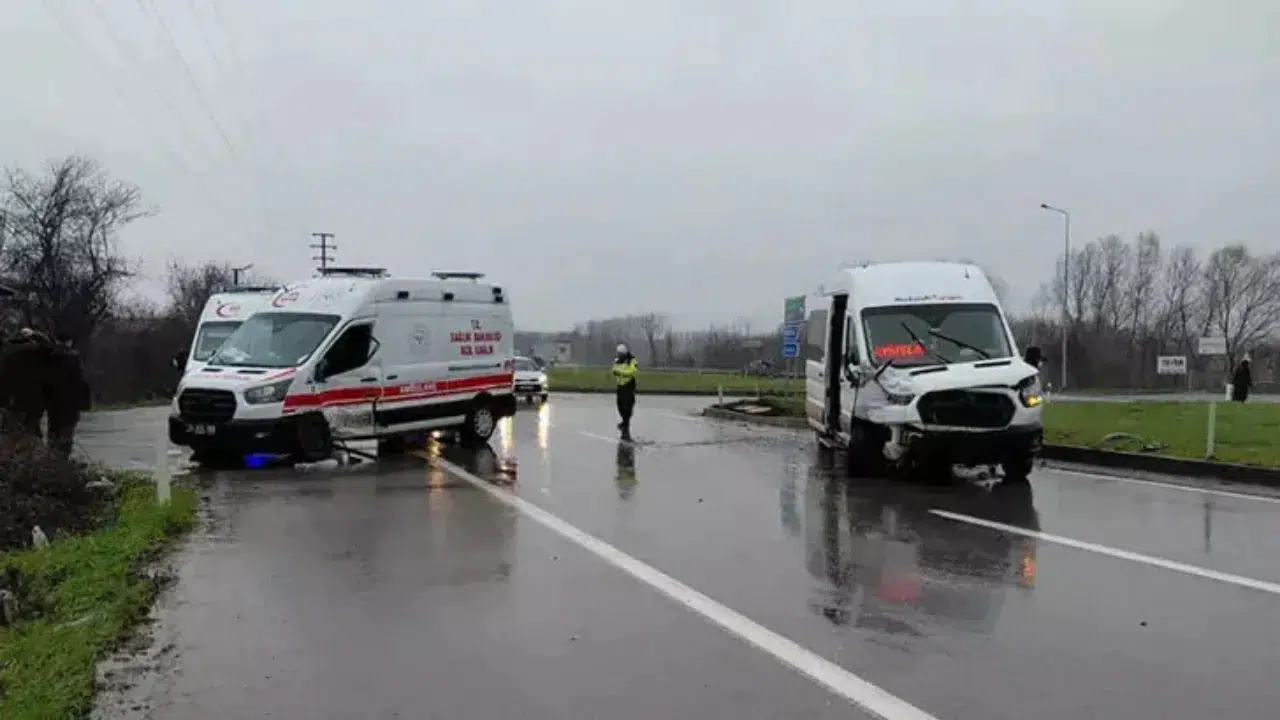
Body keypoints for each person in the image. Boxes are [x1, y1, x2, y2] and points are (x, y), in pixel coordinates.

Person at [0, 328, 54, 439]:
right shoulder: (37, 352)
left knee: (11, 430)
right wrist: (35, 333)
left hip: (14, 399)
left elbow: (4, 378)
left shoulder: (8, 352)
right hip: (34, 398)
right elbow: (50, 347)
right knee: (32, 429)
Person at [45, 333, 91, 457]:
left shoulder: (50, 357)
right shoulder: (74, 358)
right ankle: (63, 456)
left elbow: (46, 380)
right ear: (69, 342)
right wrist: (84, 402)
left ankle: (52, 454)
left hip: (54, 402)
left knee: (54, 429)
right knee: (67, 431)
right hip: (70, 402)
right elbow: (81, 381)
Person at [611, 343, 638, 441]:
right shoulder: (617, 360)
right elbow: (614, 370)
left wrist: (621, 373)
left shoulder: (632, 360)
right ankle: (624, 424)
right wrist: (618, 372)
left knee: (627, 407)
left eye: (620, 353)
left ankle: (626, 429)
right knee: (620, 405)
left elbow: (631, 371)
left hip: (628, 385)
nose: (618, 355)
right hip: (620, 386)